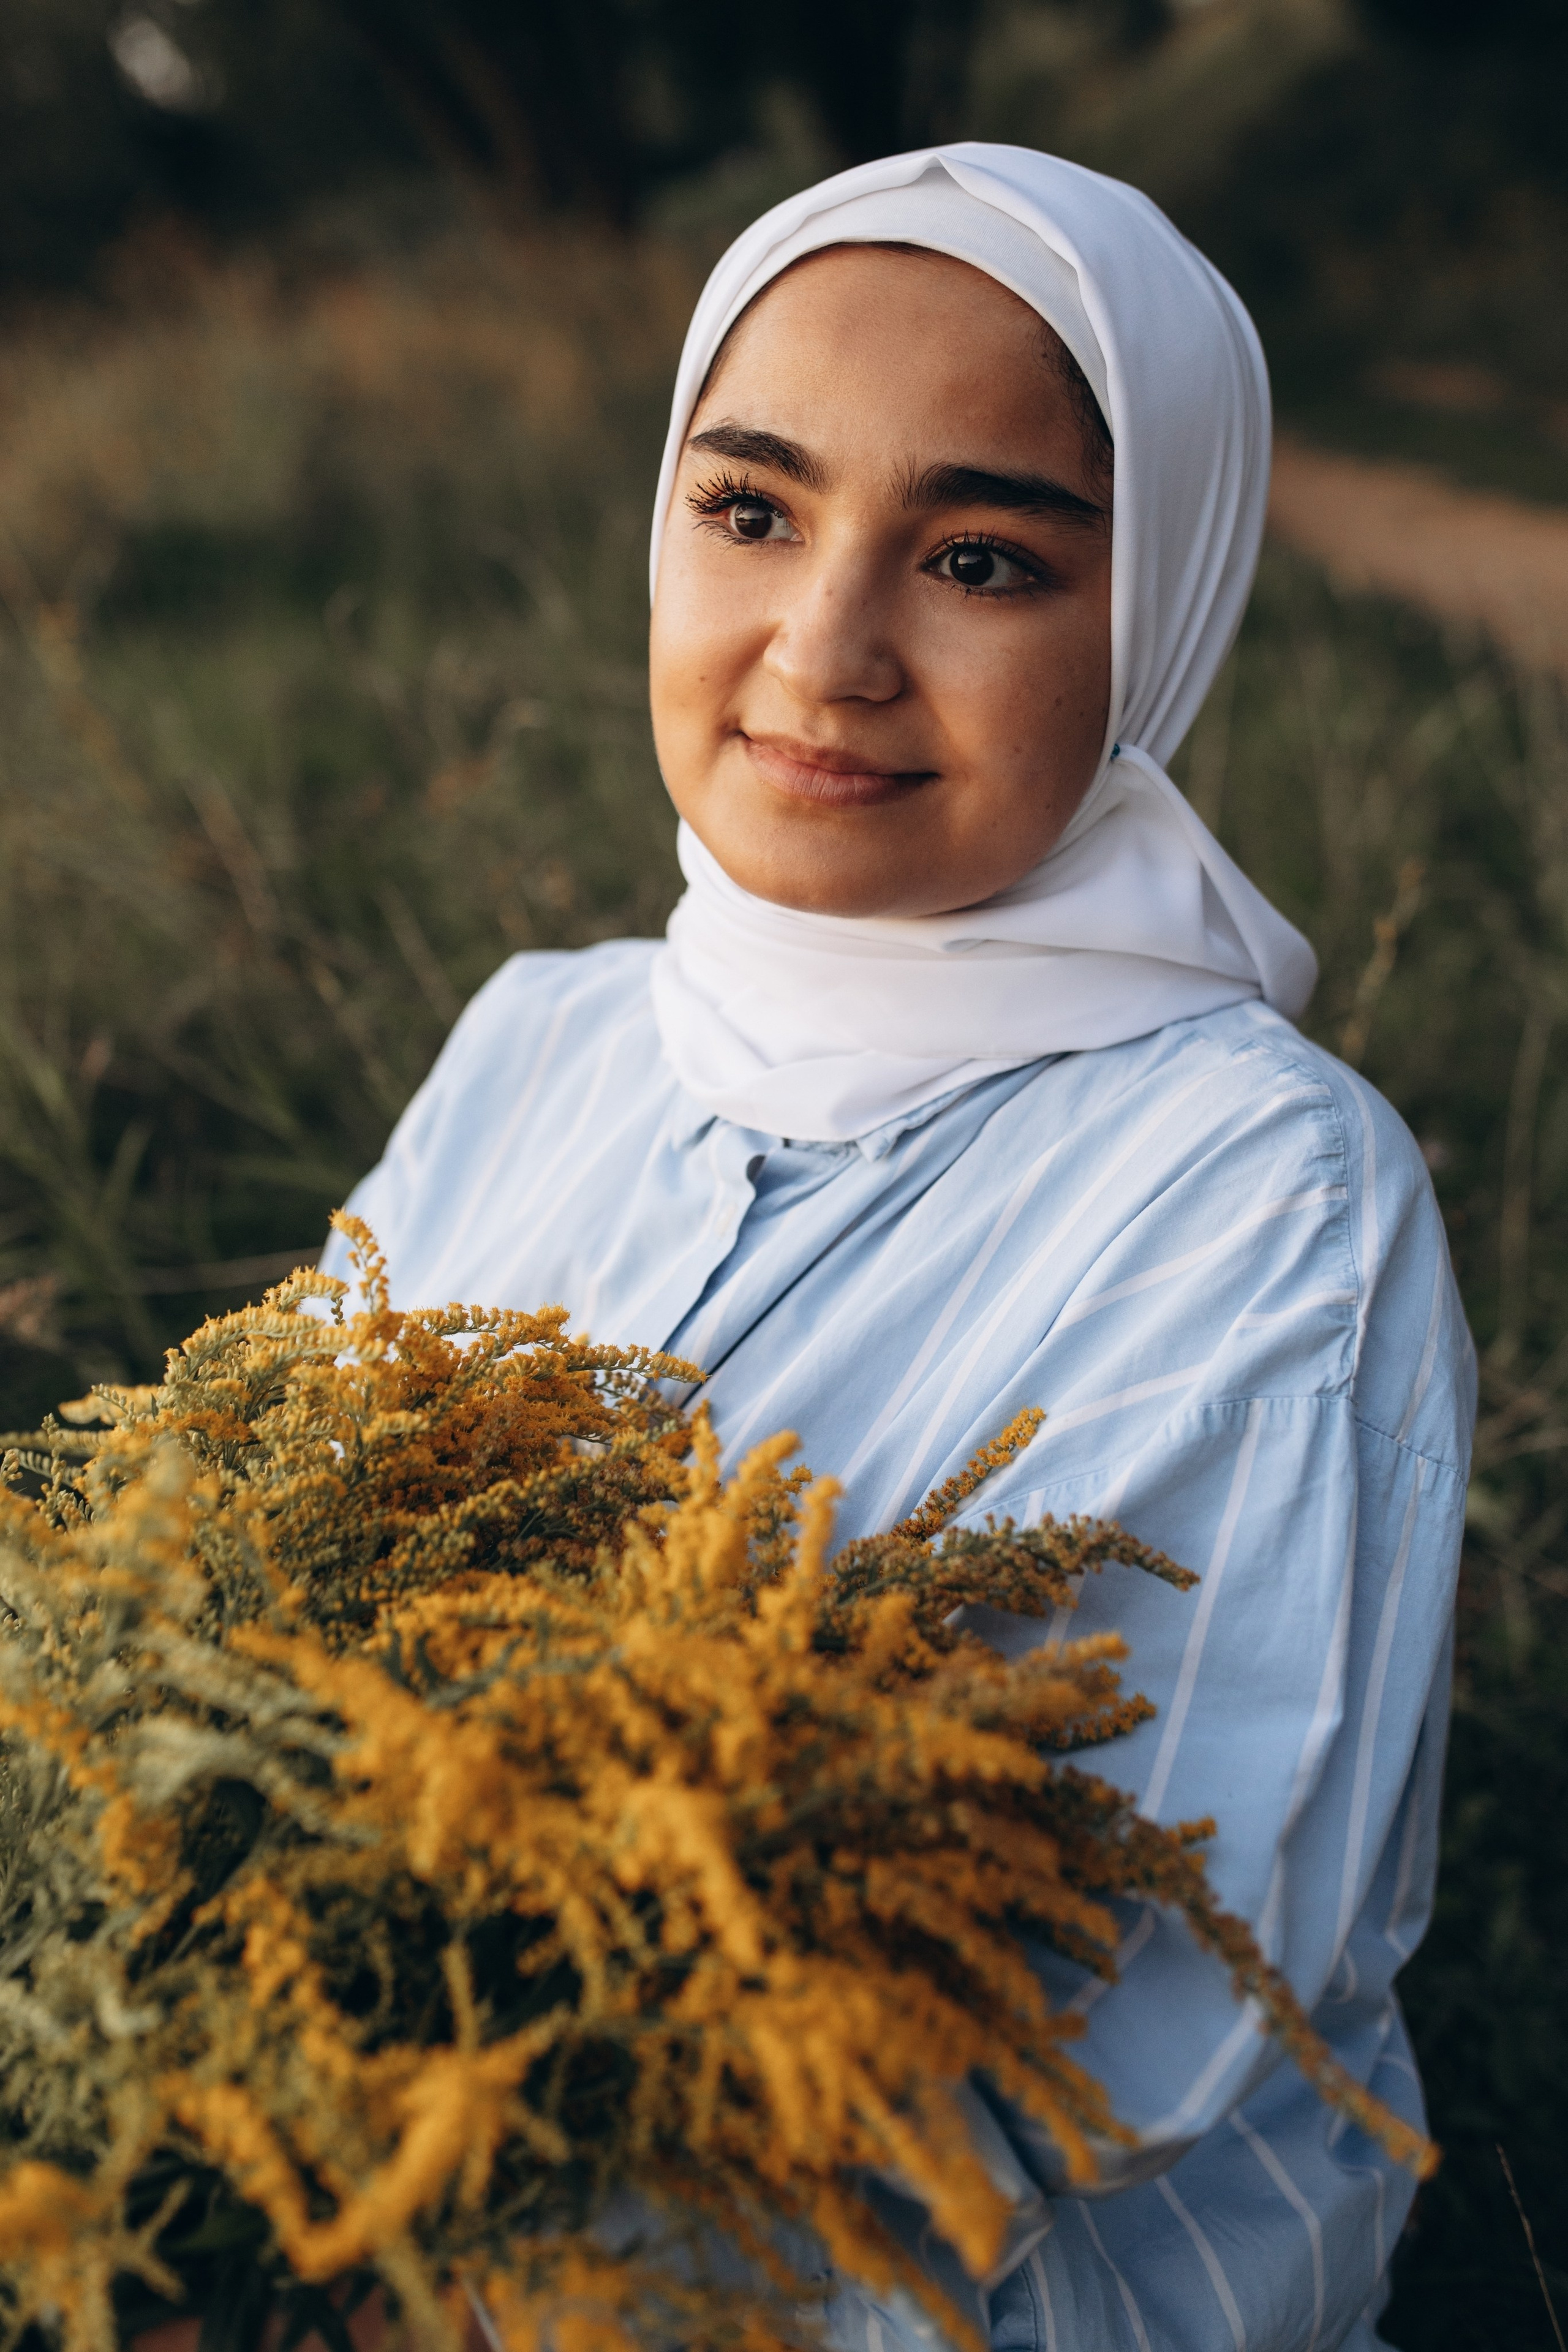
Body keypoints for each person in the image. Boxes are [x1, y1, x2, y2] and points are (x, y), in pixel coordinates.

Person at [323, 145, 1474, 2352]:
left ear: (1162, 615)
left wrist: (380, 2291)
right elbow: (234, 1609)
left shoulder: (1264, 1198)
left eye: (976, 559)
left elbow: (1093, 2012)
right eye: (750, 511)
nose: (825, 650)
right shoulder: (545, 1039)